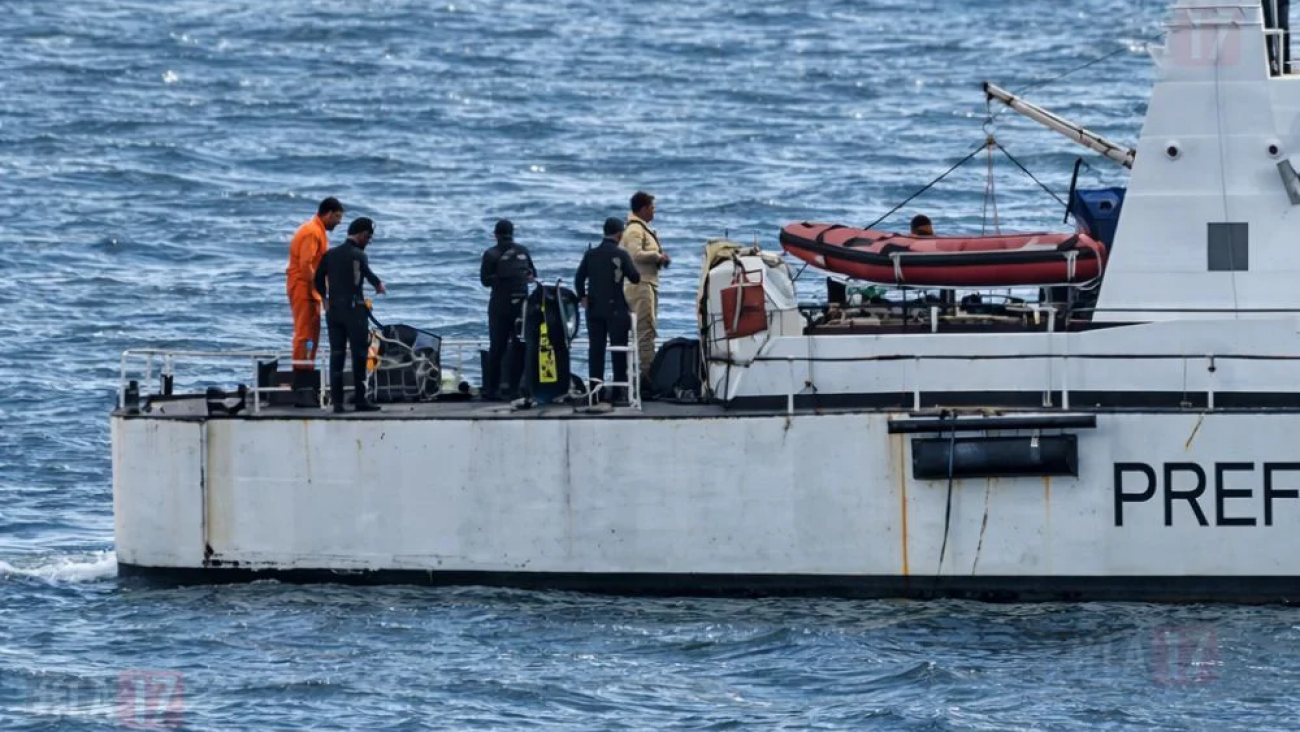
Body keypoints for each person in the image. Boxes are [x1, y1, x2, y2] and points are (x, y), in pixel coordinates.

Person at [314, 217, 386, 413]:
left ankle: (337, 403)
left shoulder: (330, 254)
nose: (368, 242)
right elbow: (367, 274)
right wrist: (379, 285)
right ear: (362, 235)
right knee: (359, 355)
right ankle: (360, 401)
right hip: (355, 312)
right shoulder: (358, 255)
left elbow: (317, 279)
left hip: (334, 312)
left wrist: (325, 299)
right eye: (368, 238)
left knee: (336, 355)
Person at [575, 217, 642, 403]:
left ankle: (596, 393)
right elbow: (635, 278)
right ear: (620, 234)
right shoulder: (621, 254)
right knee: (618, 351)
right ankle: (619, 392)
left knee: (596, 350)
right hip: (616, 309)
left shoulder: (590, 254)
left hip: (594, 309)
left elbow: (578, 279)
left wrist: (583, 297)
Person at [286, 197, 345, 398]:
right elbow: (306, 266)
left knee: (312, 336)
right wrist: (323, 289)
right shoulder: (312, 232)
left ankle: (308, 373)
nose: (339, 222)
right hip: (303, 290)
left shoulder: (318, 231)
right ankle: (300, 379)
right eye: (337, 217)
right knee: (304, 335)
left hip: (312, 292)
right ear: (328, 214)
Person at [479, 219, 536, 400]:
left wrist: (501, 277)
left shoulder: (490, 254)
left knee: (497, 347)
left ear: (495, 235)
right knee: (520, 346)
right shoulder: (523, 251)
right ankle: (516, 389)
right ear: (512, 233)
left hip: (499, 306)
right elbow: (533, 275)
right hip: (522, 306)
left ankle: (492, 390)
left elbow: (485, 281)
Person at [620, 191, 669, 385]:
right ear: (643, 208)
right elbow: (634, 254)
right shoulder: (635, 230)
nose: (654, 212)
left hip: (646, 284)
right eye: (652, 208)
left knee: (647, 330)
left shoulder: (641, 229)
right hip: (640, 286)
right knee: (644, 330)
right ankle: (647, 378)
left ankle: (646, 374)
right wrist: (657, 257)